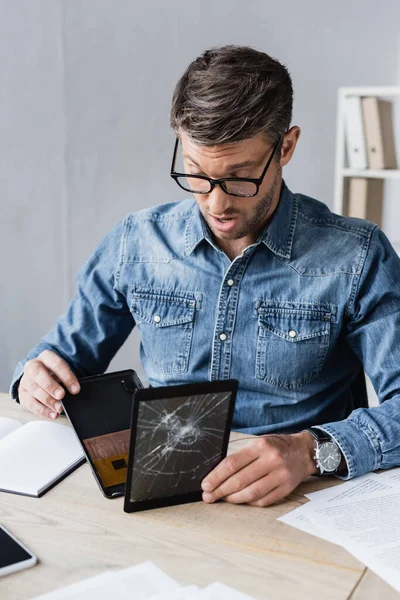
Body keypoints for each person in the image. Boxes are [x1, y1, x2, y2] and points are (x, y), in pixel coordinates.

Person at [10, 45, 400, 508]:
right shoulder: (136, 243)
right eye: (196, 175)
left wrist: (311, 451)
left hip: (296, 505)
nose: (217, 205)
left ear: (287, 148)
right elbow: (56, 360)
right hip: (157, 495)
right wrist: (33, 378)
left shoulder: (357, 257)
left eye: (239, 178)